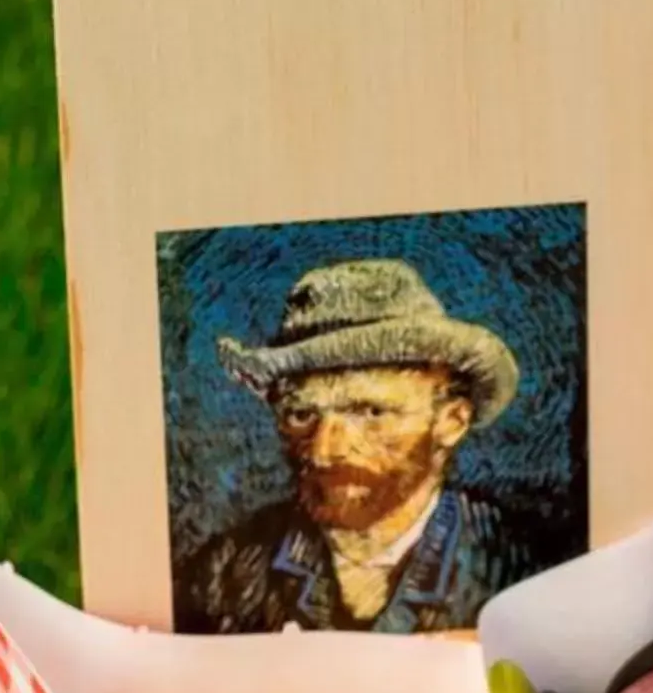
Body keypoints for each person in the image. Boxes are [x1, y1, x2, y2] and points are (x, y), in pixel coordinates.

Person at [175, 258, 562, 633]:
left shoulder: (527, 571)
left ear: (451, 421)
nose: (323, 450)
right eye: (300, 415)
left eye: (370, 411)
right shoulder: (221, 575)